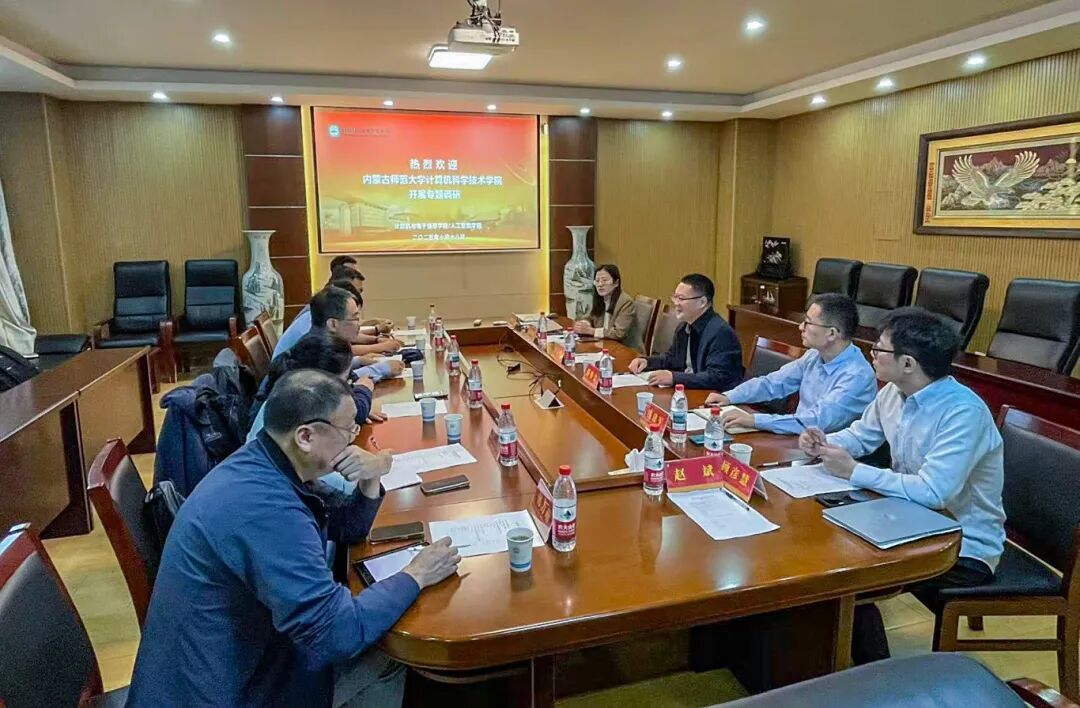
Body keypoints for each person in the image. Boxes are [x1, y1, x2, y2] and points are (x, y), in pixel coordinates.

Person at [127, 369, 461, 706]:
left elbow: (348, 527)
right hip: (233, 691)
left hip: (244, 657)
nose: (354, 439)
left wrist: (370, 477)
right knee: (393, 655)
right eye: (349, 429)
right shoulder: (265, 507)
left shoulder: (265, 462)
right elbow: (338, 633)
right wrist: (415, 574)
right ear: (305, 436)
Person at [799, 307, 1006, 664]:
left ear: (907, 363)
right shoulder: (893, 393)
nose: (871, 354)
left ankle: (875, 676)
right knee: (820, 545)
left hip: (960, 542)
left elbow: (933, 492)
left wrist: (853, 471)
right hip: (904, 519)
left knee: (849, 579)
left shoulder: (963, 413)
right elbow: (861, 435)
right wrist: (825, 443)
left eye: (879, 349)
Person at [705, 293, 876, 434]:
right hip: (799, 442)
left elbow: (816, 421)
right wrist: (730, 396)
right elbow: (773, 383)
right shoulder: (814, 355)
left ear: (832, 333)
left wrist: (755, 420)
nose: (801, 327)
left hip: (830, 453)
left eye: (808, 322)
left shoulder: (857, 376)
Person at [248, 329, 372, 448]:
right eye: (346, 382)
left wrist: (347, 416)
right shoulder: (300, 405)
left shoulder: (296, 387)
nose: (347, 389)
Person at [628, 273, 743, 390]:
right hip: (690, 390)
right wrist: (647, 362)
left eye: (681, 298)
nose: (676, 303)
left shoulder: (721, 333)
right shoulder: (684, 327)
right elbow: (672, 358)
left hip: (714, 396)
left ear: (702, 302)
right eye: (675, 297)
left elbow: (718, 377)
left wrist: (674, 378)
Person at [274, 287, 402, 384]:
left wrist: (357, 361)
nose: (358, 325)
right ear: (333, 324)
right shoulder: (316, 349)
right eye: (355, 318)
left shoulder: (318, 337)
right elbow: (336, 386)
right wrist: (380, 370)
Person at [572, 264, 640, 348]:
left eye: (604, 280)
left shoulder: (625, 302)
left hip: (627, 350)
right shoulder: (601, 299)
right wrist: (585, 323)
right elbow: (592, 318)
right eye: (597, 281)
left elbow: (618, 333)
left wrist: (591, 331)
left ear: (616, 283)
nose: (600, 284)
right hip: (605, 345)